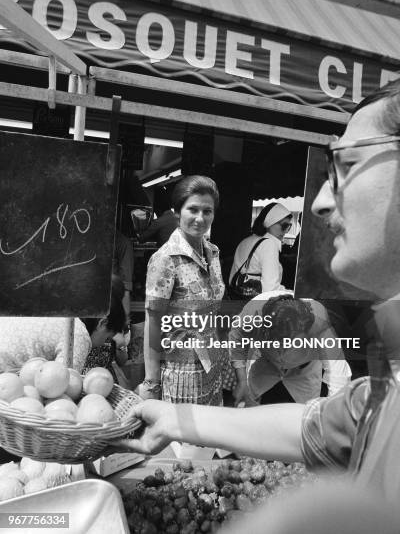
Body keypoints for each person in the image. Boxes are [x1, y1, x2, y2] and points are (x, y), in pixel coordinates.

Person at [110, 80, 400, 504]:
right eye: (193, 209)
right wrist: (169, 406)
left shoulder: (226, 260)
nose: (320, 201)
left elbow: (327, 399)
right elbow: (319, 426)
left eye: (347, 163)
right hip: (185, 367)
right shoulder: (380, 387)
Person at [141, 175, 225, 405]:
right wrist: (152, 381)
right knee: (184, 440)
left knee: (211, 436)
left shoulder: (213, 253)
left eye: (207, 211)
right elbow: (153, 321)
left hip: (211, 366)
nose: (200, 218)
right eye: (193, 209)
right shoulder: (165, 259)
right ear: (178, 212)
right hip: (179, 373)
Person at [230, 291, 351, 406]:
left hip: (305, 368)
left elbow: (338, 373)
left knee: (304, 415)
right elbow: (237, 342)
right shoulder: (252, 314)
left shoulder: (321, 326)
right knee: (248, 405)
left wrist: (332, 413)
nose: (283, 351)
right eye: (278, 343)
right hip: (265, 361)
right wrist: (241, 381)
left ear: (308, 332)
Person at [0, 276, 126, 374]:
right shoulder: (77, 334)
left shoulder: (57, 309)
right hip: (6, 374)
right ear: (102, 323)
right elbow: (63, 383)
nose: (103, 343)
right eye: (107, 337)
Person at [229, 203, 292, 294]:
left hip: (237, 298)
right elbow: (271, 289)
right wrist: (294, 294)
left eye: (289, 226)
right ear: (270, 222)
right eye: (284, 226)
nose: (286, 231)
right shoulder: (268, 244)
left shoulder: (246, 240)